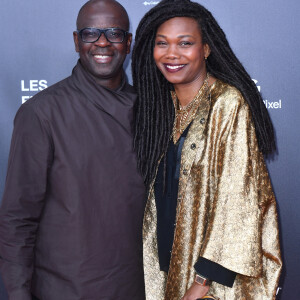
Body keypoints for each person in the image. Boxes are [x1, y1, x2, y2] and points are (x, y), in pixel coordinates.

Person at [132, 0, 282, 299]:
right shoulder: (160, 106)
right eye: (162, 43)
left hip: (210, 281)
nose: (172, 53)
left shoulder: (227, 103)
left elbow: (238, 198)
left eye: (185, 43)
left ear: (206, 48)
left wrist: (202, 282)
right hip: (166, 266)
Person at [0, 0, 146, 299]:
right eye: (91, 33)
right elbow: (17, 218)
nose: (102, 42)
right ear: (77, 41)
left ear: (128, 43)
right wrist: (17, 293)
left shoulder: (151, 112)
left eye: (114, 33)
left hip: (138, 286)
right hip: (65, 289)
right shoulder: (42, 113)